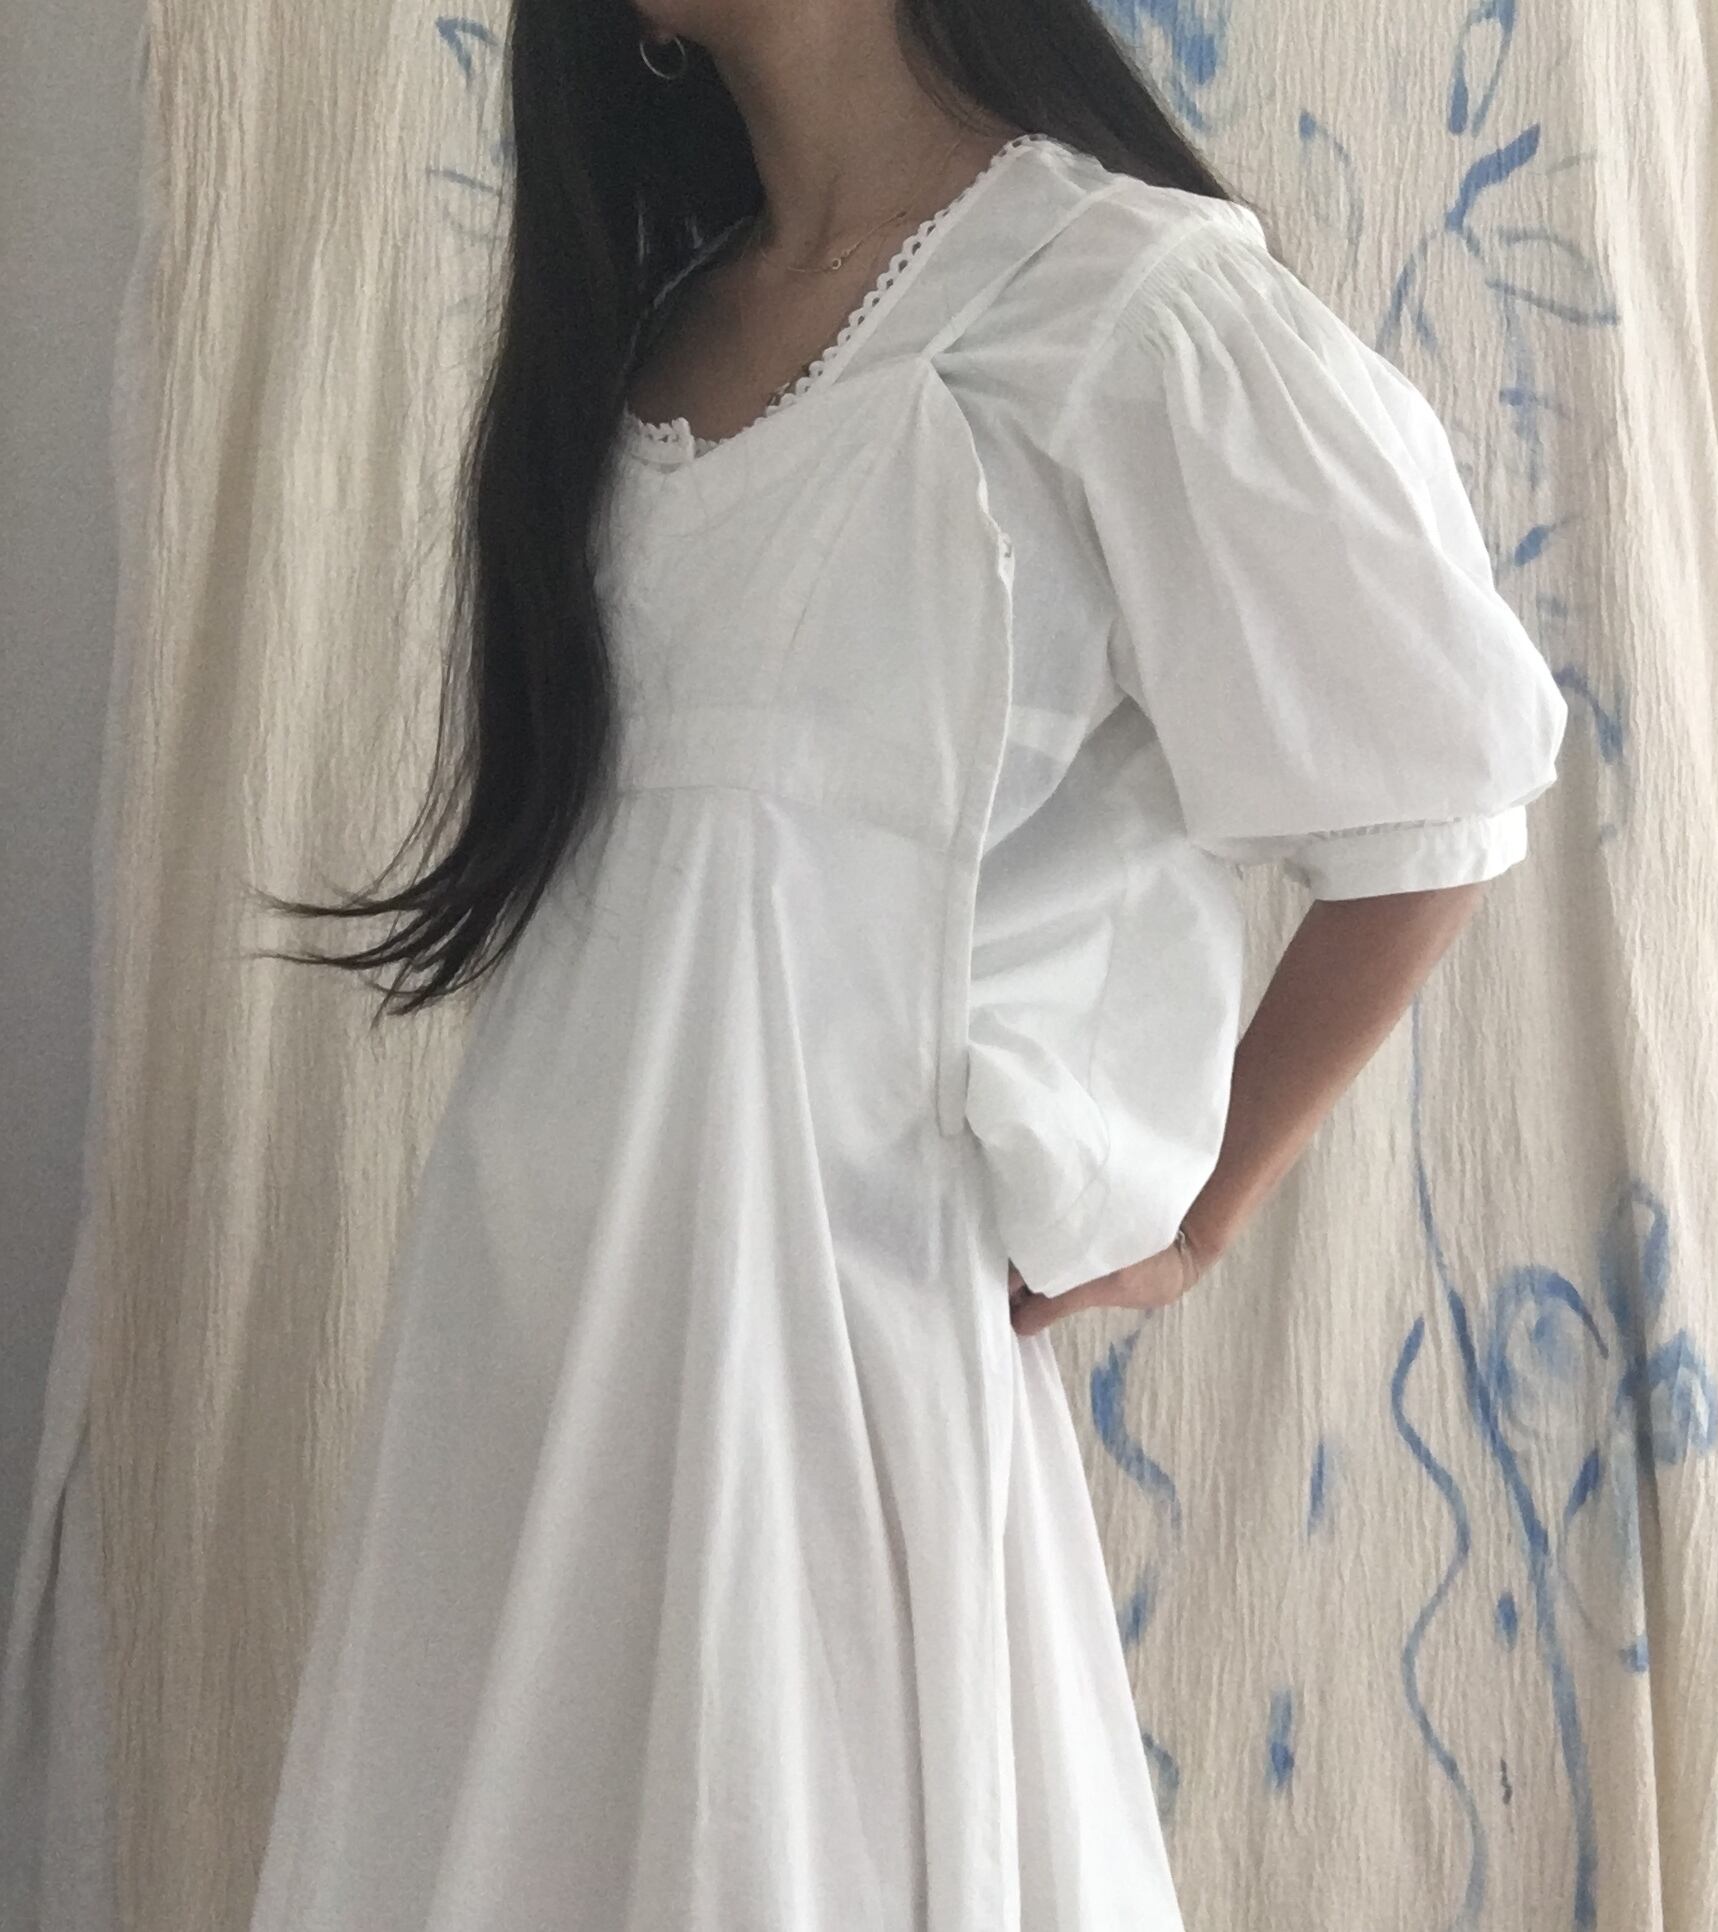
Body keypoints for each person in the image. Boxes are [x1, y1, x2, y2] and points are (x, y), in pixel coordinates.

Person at [247, 0, 1568, 1925]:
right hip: (528, 1346)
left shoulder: (1112, 311)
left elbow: (1437, 794)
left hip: (828, 1361)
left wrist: (1199, 1212)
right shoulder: (646, 340)